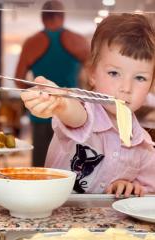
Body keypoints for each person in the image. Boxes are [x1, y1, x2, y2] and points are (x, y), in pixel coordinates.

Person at [21, 13, 155, 198]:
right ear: (92, 74)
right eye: (114, 73)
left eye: (140, 77)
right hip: (55, 218)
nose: (126, 88)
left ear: (151, 85)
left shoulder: (143, 146)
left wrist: (133, 187)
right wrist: (61, 103)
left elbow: (149, 191)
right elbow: (76, 116)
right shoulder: (85, 109)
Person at [15, 0, 90, 166]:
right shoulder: (78, 41)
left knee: (42, 165)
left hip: (42, 111)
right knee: (74, 166)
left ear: (42, 18)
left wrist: (38, 91)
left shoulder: (31, 43)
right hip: (73, 113)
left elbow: (18, 79)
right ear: (63, 17)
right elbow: (94, 79)